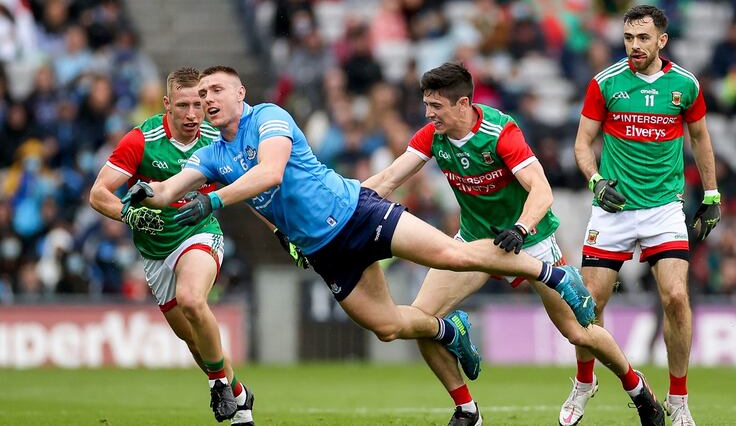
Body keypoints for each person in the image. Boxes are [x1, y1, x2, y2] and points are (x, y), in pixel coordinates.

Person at [120, 65, 597, 389]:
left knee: (453, 254)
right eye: (201, 96)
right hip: (324, 248)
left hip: (356, 212)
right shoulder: (210, 154)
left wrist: (212, 201)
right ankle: (450, 332)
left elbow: (269, 173)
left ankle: (553, 274)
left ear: (240, 93)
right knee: (387, 327)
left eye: (216, 90)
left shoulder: (268, 116)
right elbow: (166, 190)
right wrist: (143, 195)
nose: (207, 100)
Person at [362, 62, 664, 426]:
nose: (429, 114)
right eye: (427, 105)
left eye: (436, 106)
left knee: (578, 332)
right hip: (472, 245)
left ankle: (636, 388)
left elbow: (542, 190)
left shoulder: (500, 131)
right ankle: (467, 409)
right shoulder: (431, 137)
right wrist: (344, 208)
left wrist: (521, 228)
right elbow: (389, 178)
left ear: (462, 104)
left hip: (529, 243)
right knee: (422, 320)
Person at [570, 5, 721, 426]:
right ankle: (584, 383)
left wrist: (711, 194)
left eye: (642, 38)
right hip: (612, 208)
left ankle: (678, 400)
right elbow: (582, 144)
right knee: (587, 305)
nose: (634, 46)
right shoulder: (605, 83)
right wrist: (596, 181)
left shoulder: (684, 85)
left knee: (675, 297)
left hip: (664, 208)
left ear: (661, 41)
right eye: (628, 38)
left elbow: (700, 137)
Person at [89, 67, 254, 425]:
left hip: (199, 231)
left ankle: (219, 386)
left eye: (199, 104)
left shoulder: (217, 137)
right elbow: (99, 194)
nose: (193, 114)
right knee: (194, 341)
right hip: (155, 250)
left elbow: (253, 185)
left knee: (193, 299)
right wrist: (129, 216)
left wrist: (280, 230)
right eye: (183, 105)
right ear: (167, 104)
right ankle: (238, 392)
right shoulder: (140, 140)